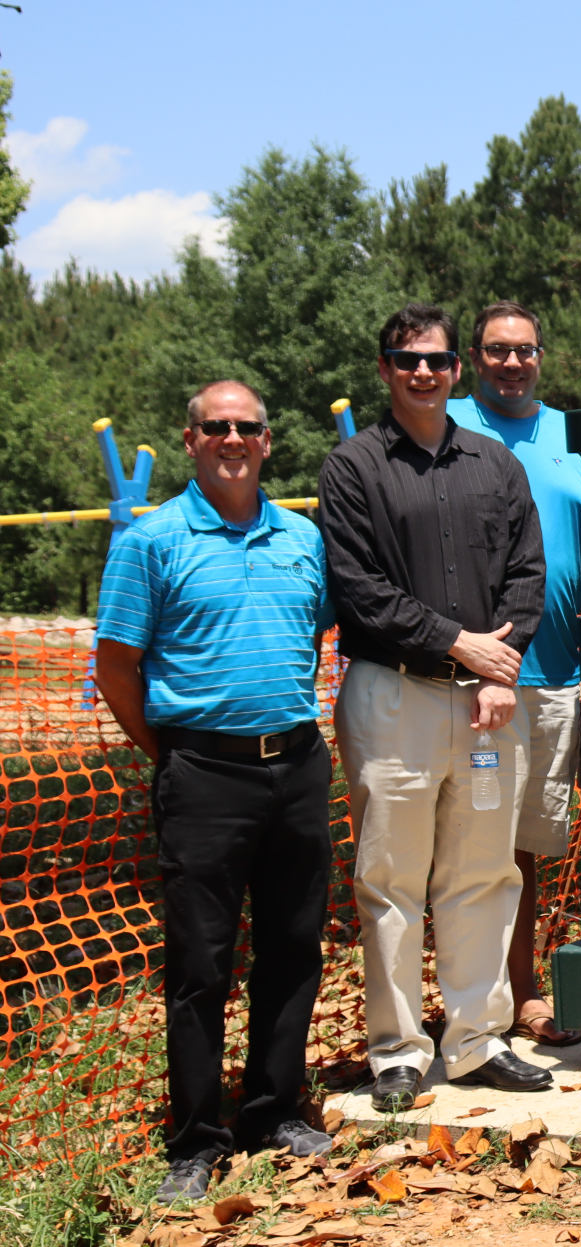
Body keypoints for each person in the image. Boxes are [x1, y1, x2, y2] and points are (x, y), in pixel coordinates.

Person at [94, 381, 337, 1202]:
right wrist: (175, 753)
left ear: (269, 441)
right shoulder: (151, 540)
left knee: (294, 949)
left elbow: (316, 631)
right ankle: (195, 1139)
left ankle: (273, 1111)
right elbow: (116, 666)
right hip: (203, 774)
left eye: (248, 427)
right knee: (201, 965)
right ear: (191, 440)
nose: (233, 438)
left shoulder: (303, 537)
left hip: (298, 765)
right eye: (217, 427)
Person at [320, 303, 550, 1110]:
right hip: (393, 697)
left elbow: (527, 572)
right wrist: (463, 643)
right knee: (390, 880)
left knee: (483, 874)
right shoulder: (350, 469)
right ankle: (397, 1051)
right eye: (406, 359)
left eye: (437, 360)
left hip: (488, 703)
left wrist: (498, 668)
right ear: (384, 369)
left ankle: (478, 1039)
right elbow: (360, 592)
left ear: (458, 370)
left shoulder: (495, 464)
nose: (424, 372)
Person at [448, 300, 581, 1048]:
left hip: (558, 675)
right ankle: (474, 1003)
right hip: (471, 677)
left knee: (522, 849)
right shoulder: (444, 425)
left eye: (526, 350)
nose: (513, 362)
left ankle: (519, 993)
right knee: (470, 844)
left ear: (543, 355)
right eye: (498, 350)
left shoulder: (573, 435)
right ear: (474, 357)